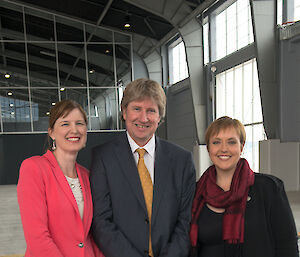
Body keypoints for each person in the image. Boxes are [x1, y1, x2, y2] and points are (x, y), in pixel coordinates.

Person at [90, 78, 196, 257]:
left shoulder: (182, 160)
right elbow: (101, 222)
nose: (143, 118)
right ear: (124, 112)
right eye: (136, 109)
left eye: (151, 111)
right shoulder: (103, 158)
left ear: (160, 117)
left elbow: (185, 221)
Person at [189, 116, 299, 257]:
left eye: (231, 142)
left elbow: (287, 246)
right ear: (209, 149)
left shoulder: (269, 189)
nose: (224, 149)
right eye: (216, 142)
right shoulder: (196, 193)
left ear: (241, 147)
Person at [17, 100, 104, 257]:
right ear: (51, 132)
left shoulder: (87, 176)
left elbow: (91, 236)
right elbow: (37, 238)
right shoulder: (33, 168)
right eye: (65, 124)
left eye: (80, 123)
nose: (74, 129)